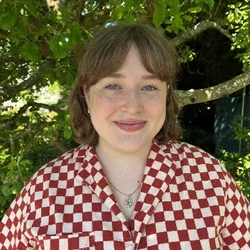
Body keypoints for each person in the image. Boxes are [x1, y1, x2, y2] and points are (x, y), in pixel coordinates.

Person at [0, 23, 249, 250]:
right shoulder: (44, 189)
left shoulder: (209, 177)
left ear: (166, 95)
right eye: (113, 86)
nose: (132, 106)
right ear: (87, 95)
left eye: (149, 87)